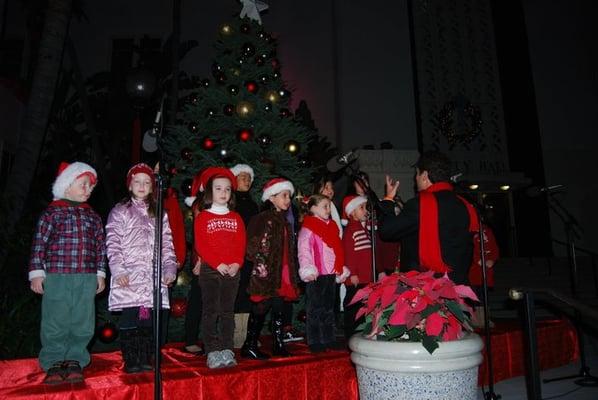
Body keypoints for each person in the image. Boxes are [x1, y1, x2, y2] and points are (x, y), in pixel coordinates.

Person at [28, 161, 106, 385]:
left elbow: (100, 247)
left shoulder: (92, 216)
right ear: (67, 184)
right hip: (57, 275)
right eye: (83, 184)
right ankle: (53, 360)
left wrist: (100, 273)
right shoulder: (53, 213)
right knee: (56, 318)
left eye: (90, 187)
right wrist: (36, 272)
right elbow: (39, 243)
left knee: (83, 319)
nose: (87, 190)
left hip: (86, 276)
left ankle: (75, 359)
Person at [106, 163, 178, 373]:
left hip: (152, 281)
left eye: (147, 182)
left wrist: (169, 269)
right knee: (131, 318)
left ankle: (144, 357)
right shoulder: (120, 211)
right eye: (137, 181)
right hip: (129, 278)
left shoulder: (159, 214)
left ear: (152, 187)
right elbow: (113, 242)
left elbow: (167, 245)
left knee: (146, 320)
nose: (142, 185)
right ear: (130, 185)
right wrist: (118, 270)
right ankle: (131, 358)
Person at [378, 151, 478, 285]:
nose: (416, 179)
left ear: (425, 175)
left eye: (417, 174)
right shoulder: (464, 205)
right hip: (459, 286)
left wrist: (388, 200)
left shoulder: (420, 204)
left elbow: (387, 231)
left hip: (427, 290)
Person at [242, 178, 300, 359]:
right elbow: (252, 243)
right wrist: (259, 262)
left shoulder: (285, 222)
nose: (288, 200)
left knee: (279, 307)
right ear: (272, 197)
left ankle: (278, 344)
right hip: (266, 271)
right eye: (284, 195)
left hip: (282, 271)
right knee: (261, 306)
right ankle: (249, 344)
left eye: (289, 196)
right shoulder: (262, 218)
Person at [194, 167, 246, 369]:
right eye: (218, 188)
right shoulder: (203, 217)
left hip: (232, 271)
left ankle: (227, 348)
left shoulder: (236, 218)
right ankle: (212, 350)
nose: (223, 192)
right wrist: (218, 263)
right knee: (210, 311)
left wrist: (237, 263)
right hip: (210, 270)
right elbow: (201, 245)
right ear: (209, 192)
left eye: (227, 189)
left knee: (227, 311)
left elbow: (240, 243)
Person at [298, 194, 350, 352]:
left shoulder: (332, 227)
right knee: (315, 309)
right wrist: (307, 268)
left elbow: (337, 250)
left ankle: (328, 338)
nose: (328, 209)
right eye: (325, 206)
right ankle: (314, 340)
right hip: (316, 275)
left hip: (330, 274)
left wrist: (339, 267)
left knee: (328, 308)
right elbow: (304, 251)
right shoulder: (308, 229)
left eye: (329, 206)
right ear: (313, 208)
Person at [230, 164, 259, 347]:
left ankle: (247, 336)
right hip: (234, 253)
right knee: (235, 292)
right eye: (242, 177)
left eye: (249, 178)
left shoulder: (253, 203)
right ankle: (235, 335)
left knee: (249, 292)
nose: (246, 181)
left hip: (250, 254)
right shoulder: (231, 202)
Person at [340, 195, 373, 340]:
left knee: (362, 307)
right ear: (352, 212)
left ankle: (360, 333)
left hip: (365, 276)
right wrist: (352, 272)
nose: (365, 211)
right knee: (353, 306)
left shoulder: (361, 228)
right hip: (356, 278)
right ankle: (351, 333)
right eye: (362, 208)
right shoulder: (351, 230)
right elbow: (348, 253)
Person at [469, 222, 500, 326]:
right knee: (475, 296)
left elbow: (494, 248)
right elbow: (467, 248)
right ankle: (476, 320)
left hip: (486, 269)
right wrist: (476, 260)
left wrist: (492, 260)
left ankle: (485, 319)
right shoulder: (470, 231)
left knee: (484, 295)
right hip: (473, 269)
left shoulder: (488, 231)